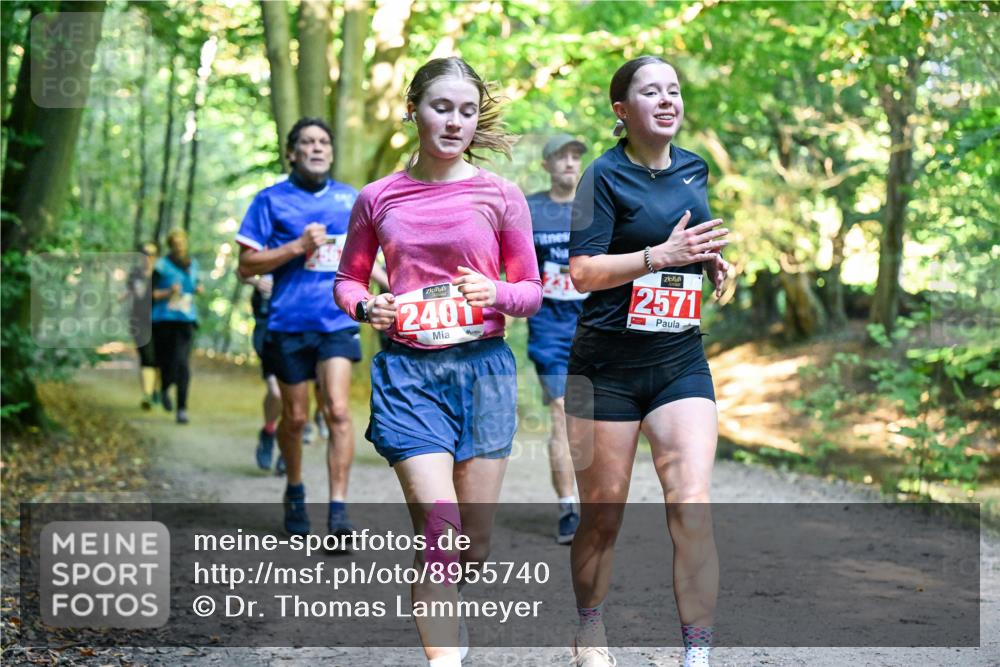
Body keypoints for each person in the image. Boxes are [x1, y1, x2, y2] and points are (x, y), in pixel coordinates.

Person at [334, 56, 541, 667]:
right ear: (413, 110)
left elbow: (529, 289)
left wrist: (494, 294)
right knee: (440, 529)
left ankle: (450, 604)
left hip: (483, 374)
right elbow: (348, 279)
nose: (455, 122)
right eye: (442, 107)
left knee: (470, 544)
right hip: (408, 375)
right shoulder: (378, 197)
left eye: (468, 111)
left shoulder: (500, 195)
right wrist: (366, 306)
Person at [565, 56, 730, 667]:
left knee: (691, 501)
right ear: (621, 111)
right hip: (602, 368)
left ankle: (698, 656)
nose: (667, 100)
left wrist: (711, 263)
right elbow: (582, 272)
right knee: (602, 514)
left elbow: (688, 241)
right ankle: (589, 627)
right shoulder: (600, 177)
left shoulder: (693, 168)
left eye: (674, 91)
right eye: (650, 91)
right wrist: (661, 255)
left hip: (678, 358)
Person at [237, 117, 361, 538]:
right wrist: (296, 247)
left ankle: (340, 509)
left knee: (339, 412)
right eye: (307, 142)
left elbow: (368, 259)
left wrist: (392, 290)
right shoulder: (270, 201)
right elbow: (245, 265)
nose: (316, 148)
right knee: (294, 419)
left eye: (323, 141)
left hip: (337, 320)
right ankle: (294, 490)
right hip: (288, 322)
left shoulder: (352, 200)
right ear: (292, 152)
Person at [525, 134, 589, 544]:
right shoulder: (529, 209)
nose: (569, 163)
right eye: (560, 157)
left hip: (596, 326)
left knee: (592, 421)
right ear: (546, 165)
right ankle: (568, 508)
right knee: (562, 414)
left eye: (575, 156)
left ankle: (595, 503)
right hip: (549, 330)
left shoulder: (598, 207)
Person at [151, 229, 203, 424]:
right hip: (164, 320)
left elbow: (194, 284)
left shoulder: (193, 264)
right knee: (167, 362)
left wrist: (198, 288)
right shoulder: (161, 265)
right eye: (176, 243)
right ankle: (164, 388)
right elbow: (150, 294)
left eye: (182, 242)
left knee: (182, 363)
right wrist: (167, 292)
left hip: (186, 320)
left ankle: (182, 408)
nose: (179, 246)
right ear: (170, 245)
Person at [243, 273, 282, 471]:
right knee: (276, 392)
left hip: (301, 323)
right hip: (267, 326)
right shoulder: (267, 244)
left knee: (293, 392)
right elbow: (241, 270)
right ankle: (268, 432)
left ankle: (288, 443)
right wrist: (257, 281)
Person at [127, 241, 159, 410]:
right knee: (147, 357)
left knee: (160, 358)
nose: (148, 257)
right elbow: (135, 293)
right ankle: (147, 394)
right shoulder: (135, 274)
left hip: (161, 321)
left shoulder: (162, 274)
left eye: (152, 254)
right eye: (145, 254)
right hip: (140, 321)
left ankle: (157, 390)